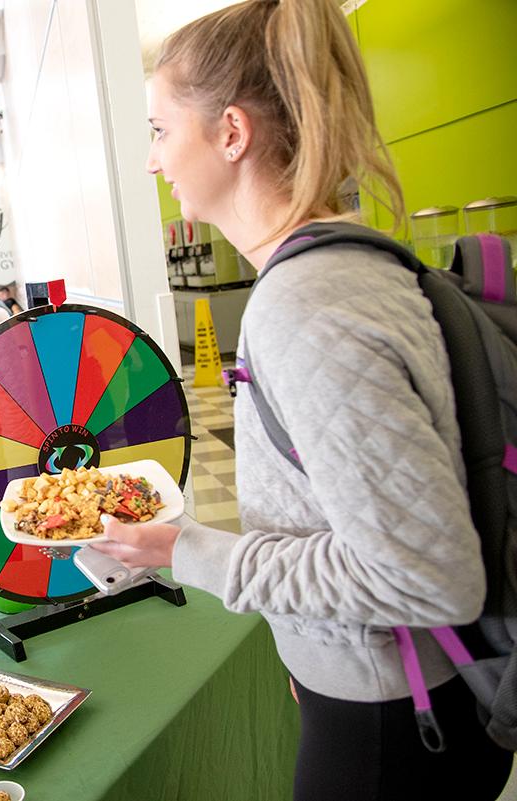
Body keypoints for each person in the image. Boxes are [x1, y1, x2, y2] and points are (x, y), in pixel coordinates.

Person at [91, 2, 510, 799]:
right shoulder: (348, 267)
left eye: (158, 130)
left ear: (232, 134)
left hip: (397, 726)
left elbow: (425, 574)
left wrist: (188, 551)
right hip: (403, 695)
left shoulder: (306, 305)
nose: (153, 161)